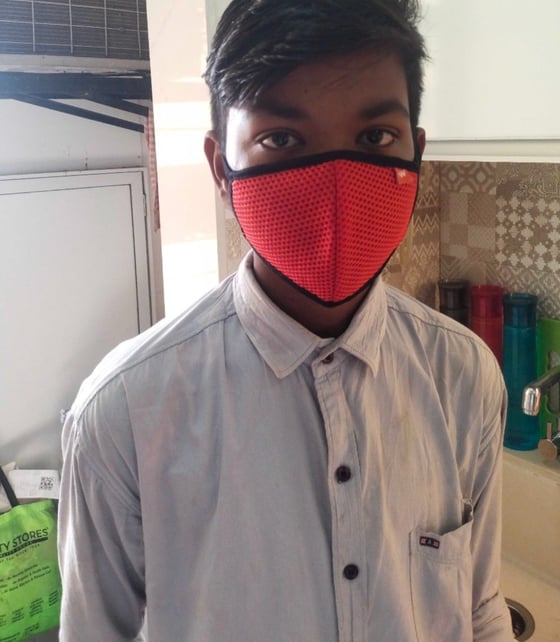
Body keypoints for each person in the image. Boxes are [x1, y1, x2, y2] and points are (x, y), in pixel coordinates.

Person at [57, 0, 514, 640]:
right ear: (221, 168)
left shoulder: (464, 376)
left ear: (417, 154)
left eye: (375, 138)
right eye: (281, 139)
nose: (335, 185)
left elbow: (480, 610)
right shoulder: (122, 417)